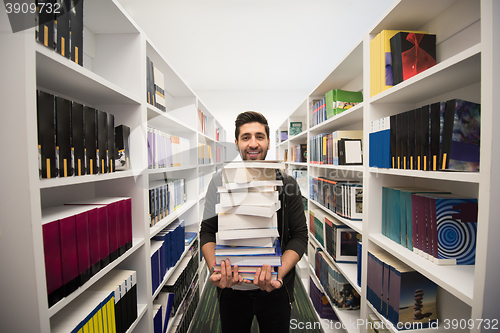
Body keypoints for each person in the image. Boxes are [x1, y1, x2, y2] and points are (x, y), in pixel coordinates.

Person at [200, 111, 308, 333]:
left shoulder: (287, 184)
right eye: (246, 137)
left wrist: (278, 273)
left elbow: (299, 236)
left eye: (259, 136)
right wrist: (216, 269)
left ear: (269, 141)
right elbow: (207, 232)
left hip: (276, 289)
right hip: (231, 289)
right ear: (237, 143)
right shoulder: (218, 182)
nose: (253, 143)